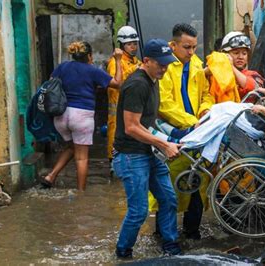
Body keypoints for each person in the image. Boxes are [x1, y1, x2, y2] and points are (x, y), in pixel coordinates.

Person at [112, 38, 181, 258]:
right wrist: (164, 144)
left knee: (169, 199)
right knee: (139, 210)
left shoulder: (154, 80)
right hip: (131, 155)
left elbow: (151, 120)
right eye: (160, 63)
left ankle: (171, 247)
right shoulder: (137, 84)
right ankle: (123, 253)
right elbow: (132, 127)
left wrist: (176, 135)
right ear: (146, 60)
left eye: (167, 63)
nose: (164, 67)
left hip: (149, 151)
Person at [151, 23, 214, 240]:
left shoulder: (196, 65)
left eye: (194, 47)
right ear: (173, 45)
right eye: (186, 47)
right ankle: (162, 236)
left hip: (197, 133)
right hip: (175, 135)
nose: (191, 52)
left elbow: (206, 94)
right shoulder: (165, 68)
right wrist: (191, 123)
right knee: (168, 188)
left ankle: (192, 233)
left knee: (197, 185)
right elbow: (164, 104)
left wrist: (205, 111)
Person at [41, 41, 123, 190]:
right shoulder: (93, 71)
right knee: (82, 157)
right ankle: (81, 194)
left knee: (72, 147)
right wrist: (118, 60)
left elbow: (51, 84)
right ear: (90, 56)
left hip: (61, 116)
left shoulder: (62, 67)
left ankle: (51, 176)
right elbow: (118, 83)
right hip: (81, 117)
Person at [106, 26, 142, 173]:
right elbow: (118, 83)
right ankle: (113, 166)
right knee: (115, 137)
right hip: (118, 108)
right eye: (129, 44)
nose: (133, 46)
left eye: (135, 43)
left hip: (130, 107)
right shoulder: (115, 62)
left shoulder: (136, 61)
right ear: (121, 45)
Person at [220, 32, 265, 99]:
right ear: (225, 54)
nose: (241, 57)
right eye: (236, 53)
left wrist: (231, 67)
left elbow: (253, 88)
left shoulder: (253, 75)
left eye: (244, 54)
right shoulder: (217, 74)